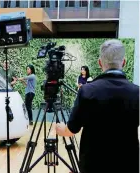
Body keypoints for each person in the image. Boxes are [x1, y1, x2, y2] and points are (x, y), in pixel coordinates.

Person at [55, 39, 139, 173]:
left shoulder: (87, 91)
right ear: (124, 62)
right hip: (128, 166)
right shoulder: (137, 93)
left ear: (100, 63)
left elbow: (72, 130)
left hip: (92, 166)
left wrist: (60, 129)